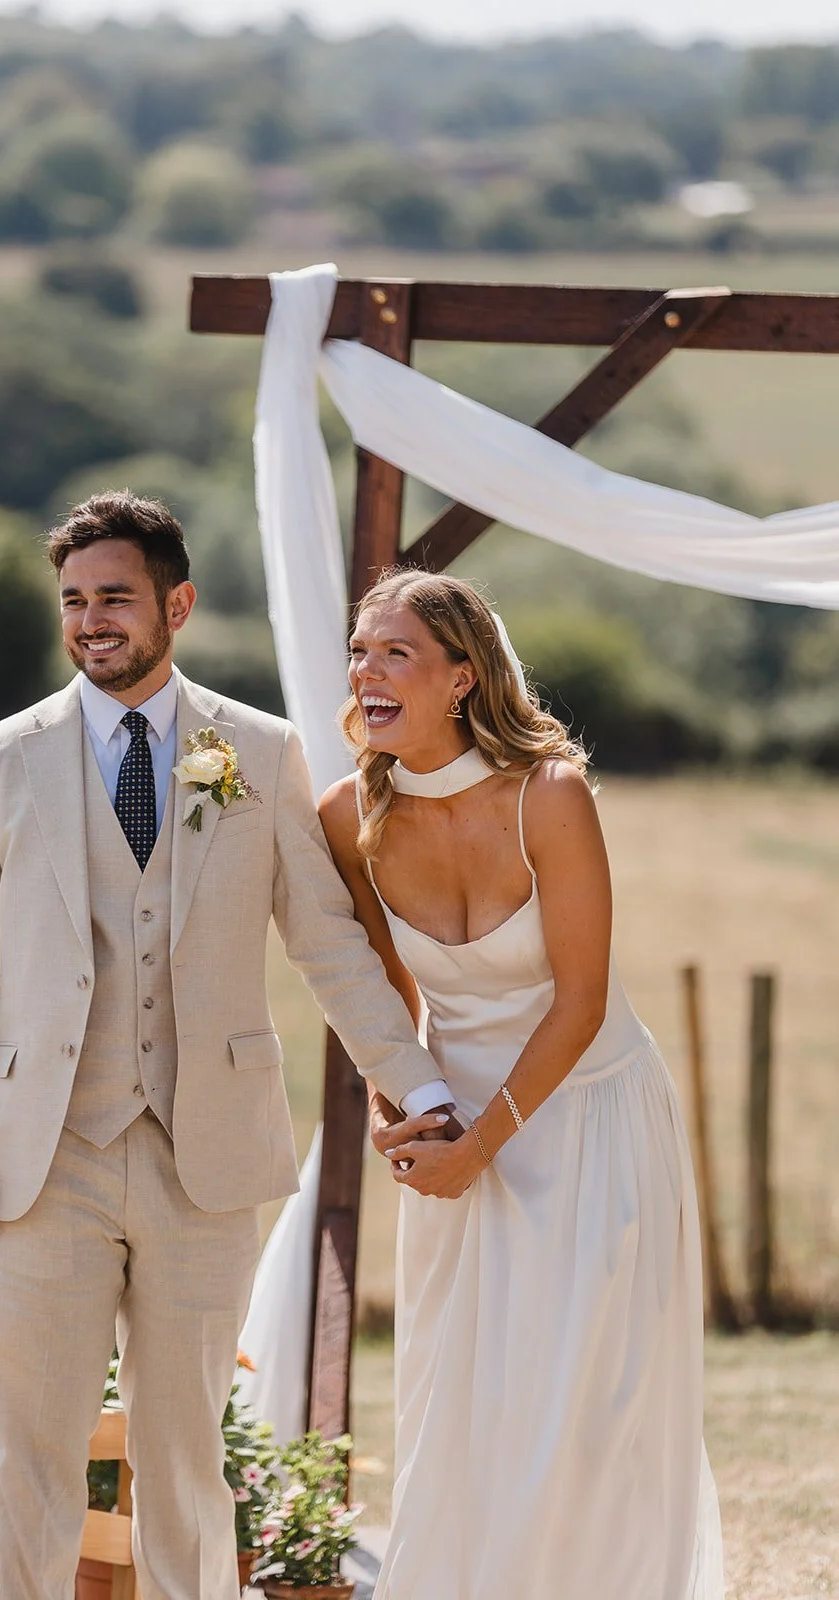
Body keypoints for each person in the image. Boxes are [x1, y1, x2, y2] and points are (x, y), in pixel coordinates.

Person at [0, 495, 455, 1600]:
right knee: (34, 1459)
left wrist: (414, 1079)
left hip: (202, 1158)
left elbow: (328, 945)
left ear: (176, 603)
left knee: (184, 1460)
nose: (90, 620)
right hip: (40, 1156)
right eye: (73, 601)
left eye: (113, 596)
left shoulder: (254, 752)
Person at [319, 568, 724, 1600]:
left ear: (460, 676)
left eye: (393, 652)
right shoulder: (343, 816)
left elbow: (579, 999)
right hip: (455, 1135)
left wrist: (477, 1144)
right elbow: (385, 1001)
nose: (366, 669)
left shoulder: (549, 794)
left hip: (587, 1115)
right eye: (359, 650)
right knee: (465, 1399)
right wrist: (399, 1114)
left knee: (586, 1408)